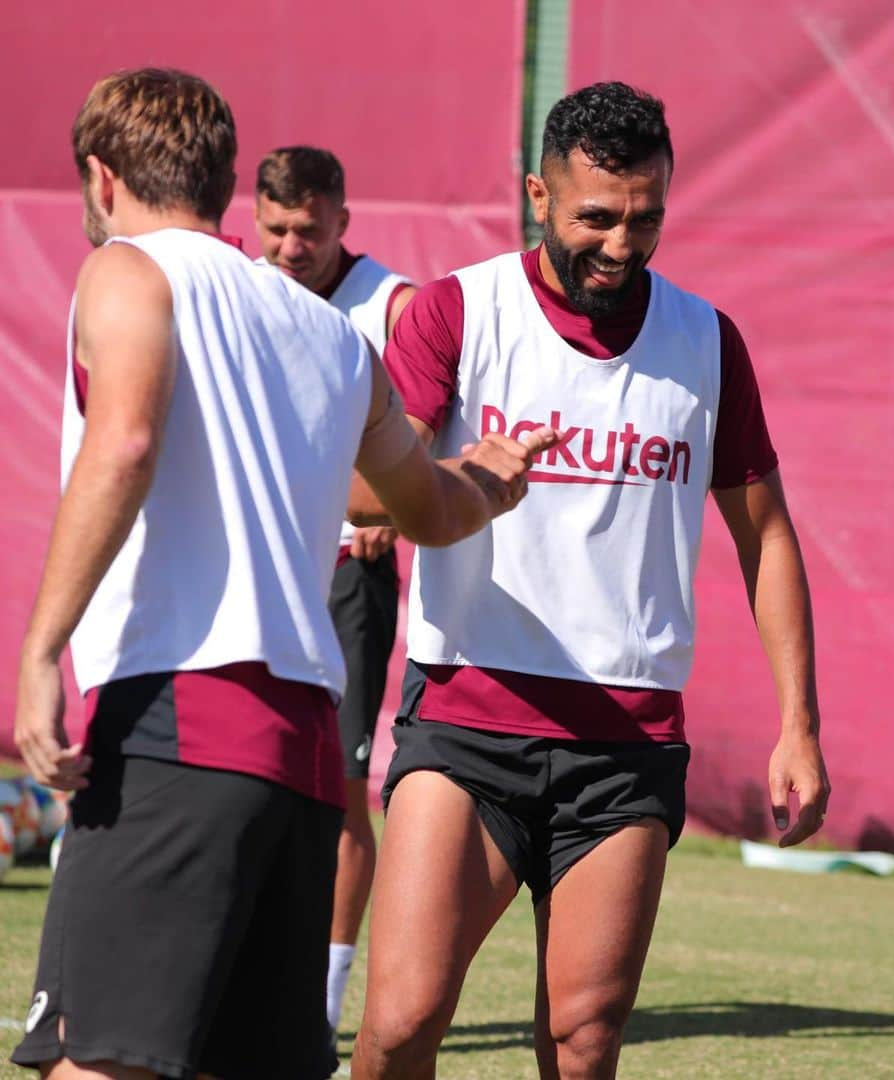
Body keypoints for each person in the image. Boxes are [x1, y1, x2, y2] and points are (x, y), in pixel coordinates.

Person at [12, 67, 557, 1080]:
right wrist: (486, 479)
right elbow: (429, 511)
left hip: (177, 721)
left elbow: (125, 441)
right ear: (227, 183)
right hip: (303, 760)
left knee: (95, 1063)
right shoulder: (329, 333)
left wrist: (41, 648)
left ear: (99, 177)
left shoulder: (129, 270)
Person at [350, 81, 831, 1080]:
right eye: (597, 219)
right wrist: (465, 480)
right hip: (468, 725)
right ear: (538, 195)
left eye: (646, 218)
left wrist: (801, 724)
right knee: (399, 1025)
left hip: (627, 743)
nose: (621, 243)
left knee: (585, 1044)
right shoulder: (455, 311)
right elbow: (364, 493)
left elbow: (767, 534)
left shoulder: (706, 341)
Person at [253, 146, 416, 1042]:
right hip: (262, 572)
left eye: (306, 231)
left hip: (350, 577)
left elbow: (444, 418)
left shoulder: (392, 304)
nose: (288, 248)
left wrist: (397, 495)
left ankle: (319, 1001)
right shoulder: (241, 288)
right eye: (273, 228)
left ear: (343, 223)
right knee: (252, 776)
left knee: (344, 788)